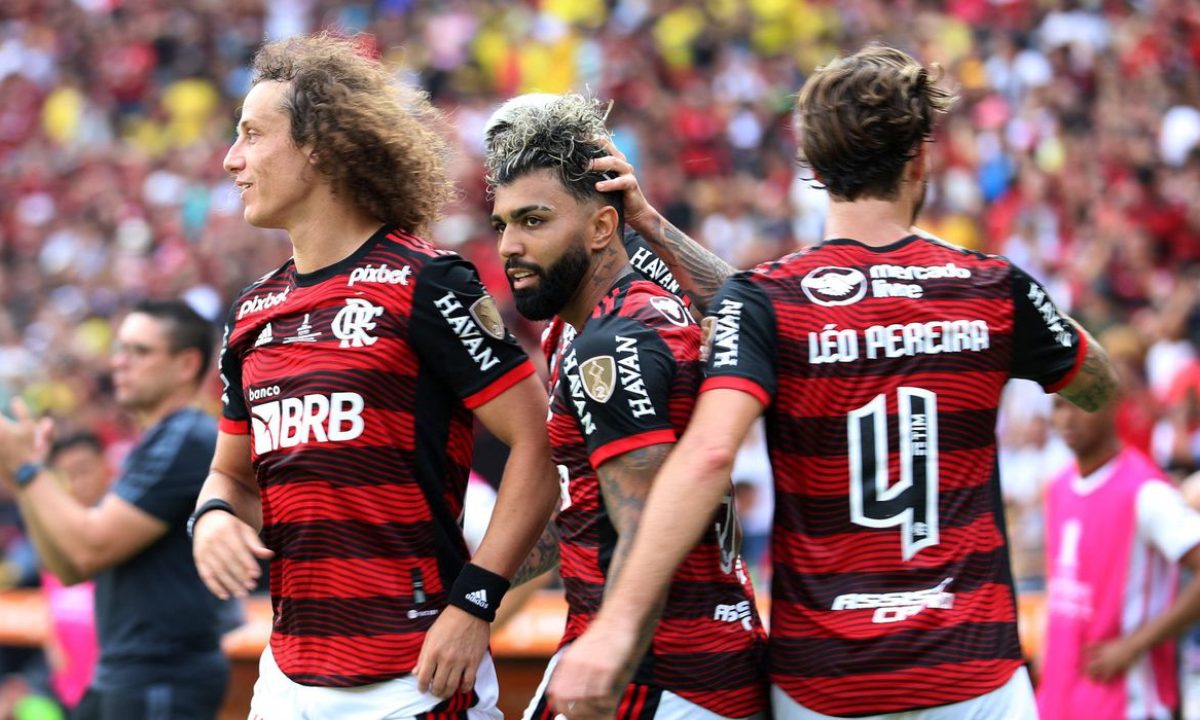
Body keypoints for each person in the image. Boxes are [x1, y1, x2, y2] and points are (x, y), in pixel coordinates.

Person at [548, 44, 1120, 720]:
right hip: (975, 679)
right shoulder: (992, 286)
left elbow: (708, 454)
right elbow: (1096, 384)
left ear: (813, 169)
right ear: (920, 161)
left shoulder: (767, 301)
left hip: (826, 685)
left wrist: (615, 628)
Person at [189, 33, 559, 719]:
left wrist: (476, 602)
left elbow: (539, 440)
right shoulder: (251, 312)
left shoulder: (426, 282)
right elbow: (230, 476)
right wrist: (210, 516)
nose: (231, 158)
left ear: (319, 147)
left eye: (252, 135)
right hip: (285, 678)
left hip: (410, 681)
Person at [487, 93, 768, 720]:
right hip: (684, 659)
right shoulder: (601, 320)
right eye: (502, 224)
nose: (508, 245)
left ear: (600, 228)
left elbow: (644, 525)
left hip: (654, 674)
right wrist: (475, 601)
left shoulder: (614, 341)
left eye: (533, 221)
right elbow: (586, 513)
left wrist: (610, 646)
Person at [0, 299, 232, 720]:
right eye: (120, 349)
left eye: (139, 352)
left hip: (161, 676)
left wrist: (28, 470)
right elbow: (70, 568)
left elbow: (88, 548)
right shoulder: (158, 441)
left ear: (187, 365)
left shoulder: (186, 438)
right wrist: (25, 476)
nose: (119, 363)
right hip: (123, 671)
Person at [1037, 395, 1200, 720]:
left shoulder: (1147, 491)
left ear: (1111, 405)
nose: (1066, 418)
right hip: (1059, 702)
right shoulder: (1057, 487)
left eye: (1079, 403)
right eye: (1058, 406)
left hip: (1129, 703)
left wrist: (1134, 644)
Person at [41, 433, 111, 713]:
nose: (77, 482)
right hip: (70, 690)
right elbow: (53, 608)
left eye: (83, 470)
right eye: (66, 475)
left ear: (105, 465)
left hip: (113, 687)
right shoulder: (55, 538)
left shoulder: (121, 532)